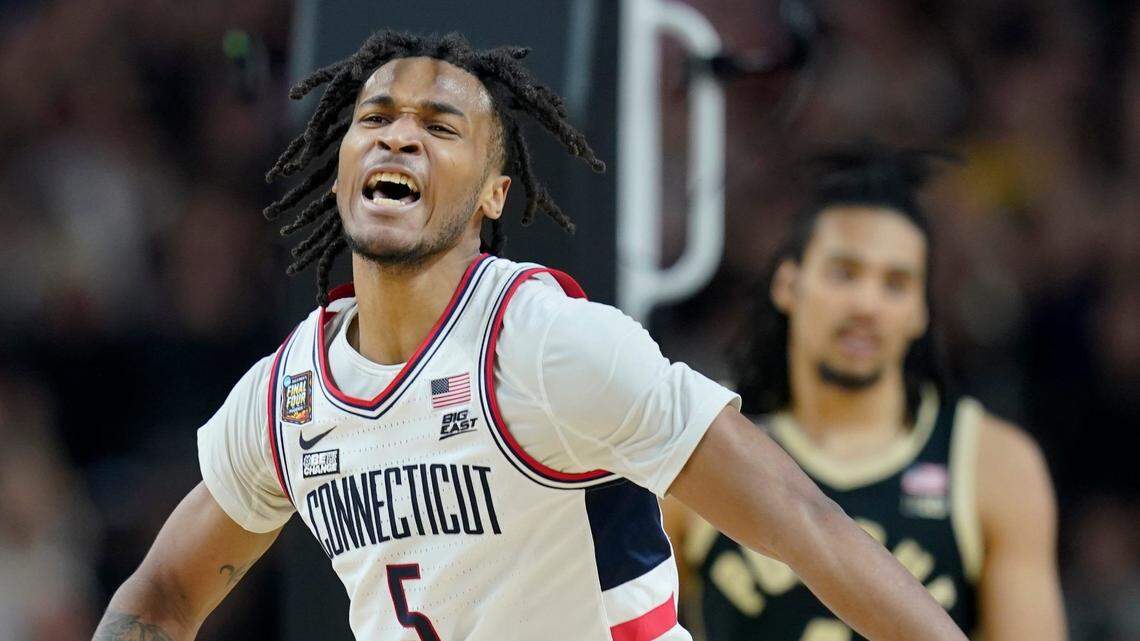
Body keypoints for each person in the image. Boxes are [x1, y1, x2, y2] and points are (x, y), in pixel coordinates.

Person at [93, 32, 969, 641]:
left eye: (440, 127)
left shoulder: (546, 347)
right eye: (376, 118)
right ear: (342, 169)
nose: (400, 133)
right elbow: (164, 592)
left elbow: (803, 519)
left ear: (492, 197)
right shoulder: (286, 397)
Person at [670, 146, 1066, 641]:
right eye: (844, 273)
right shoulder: (703, 439)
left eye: (895, 284)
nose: (867, 304)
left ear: (921, 311)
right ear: (788, 285)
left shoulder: (995, 463)